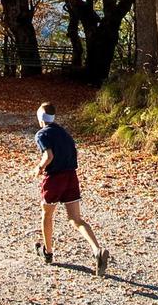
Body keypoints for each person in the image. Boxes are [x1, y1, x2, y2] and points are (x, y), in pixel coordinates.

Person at [30, 101, 109, 276]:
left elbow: (48, 155)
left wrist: (39, 168)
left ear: (41, 118)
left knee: (47, 214)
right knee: (76, 219)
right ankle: (97, 250)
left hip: (55, 179)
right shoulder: (64, 133)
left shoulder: (41, 134)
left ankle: (48, 252)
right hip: (71, 177)